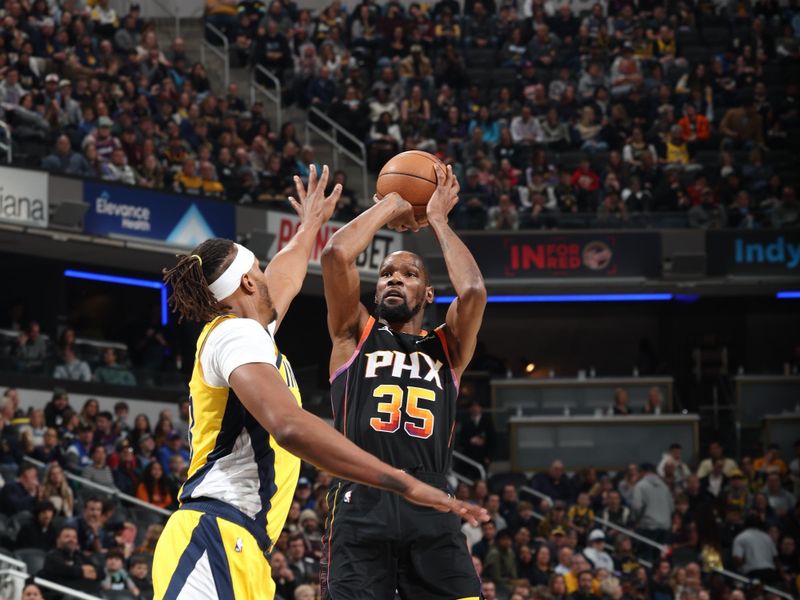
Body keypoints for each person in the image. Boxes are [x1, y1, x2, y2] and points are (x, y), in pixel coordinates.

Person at [154, 165, 485, 600]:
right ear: (251, 281)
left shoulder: (256, 330)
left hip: (245, 542)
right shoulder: (236, 335)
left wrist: (310, 223)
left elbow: (288, 273)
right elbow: (290, 425)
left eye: (408, 276)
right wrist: (403, 482)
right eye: (260, 266)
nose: (273, 271)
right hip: (217, 529)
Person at [319, 163, 487, 599]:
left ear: (428, 294)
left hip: (429, 497)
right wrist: (393, 202)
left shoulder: (448, 347)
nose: (395, 278)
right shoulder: (354, 332)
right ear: (376, 293)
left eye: (410, 274)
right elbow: (336, 254)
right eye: (388, 274)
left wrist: (437, 221)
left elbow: (472, 292)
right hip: (363, 495)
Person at [40, 526, 105, 595]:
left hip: (87, 594)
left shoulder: (79, 555)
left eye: (74, 537)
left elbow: (101, 572)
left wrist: (93, 572)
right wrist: (82, 571)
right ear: (58, 540)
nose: (71, 540)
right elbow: (62, 570)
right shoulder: (52, 556)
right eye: (67, 536)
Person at [631, 463, 673, 562]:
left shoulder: (640, 485)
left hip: (648, 527)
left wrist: (635, 520)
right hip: (665, 528)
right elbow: (671, 507)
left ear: (642, 472)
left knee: (646, 558)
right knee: (661, 559)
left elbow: (636, 506)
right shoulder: (664, 486)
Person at [732, 514, 780, 584]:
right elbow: (776, 558)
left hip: (753, 572)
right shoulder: (767, 537)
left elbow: (737, 558)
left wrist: (740, 569)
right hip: (770, 572)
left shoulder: (740, 537)